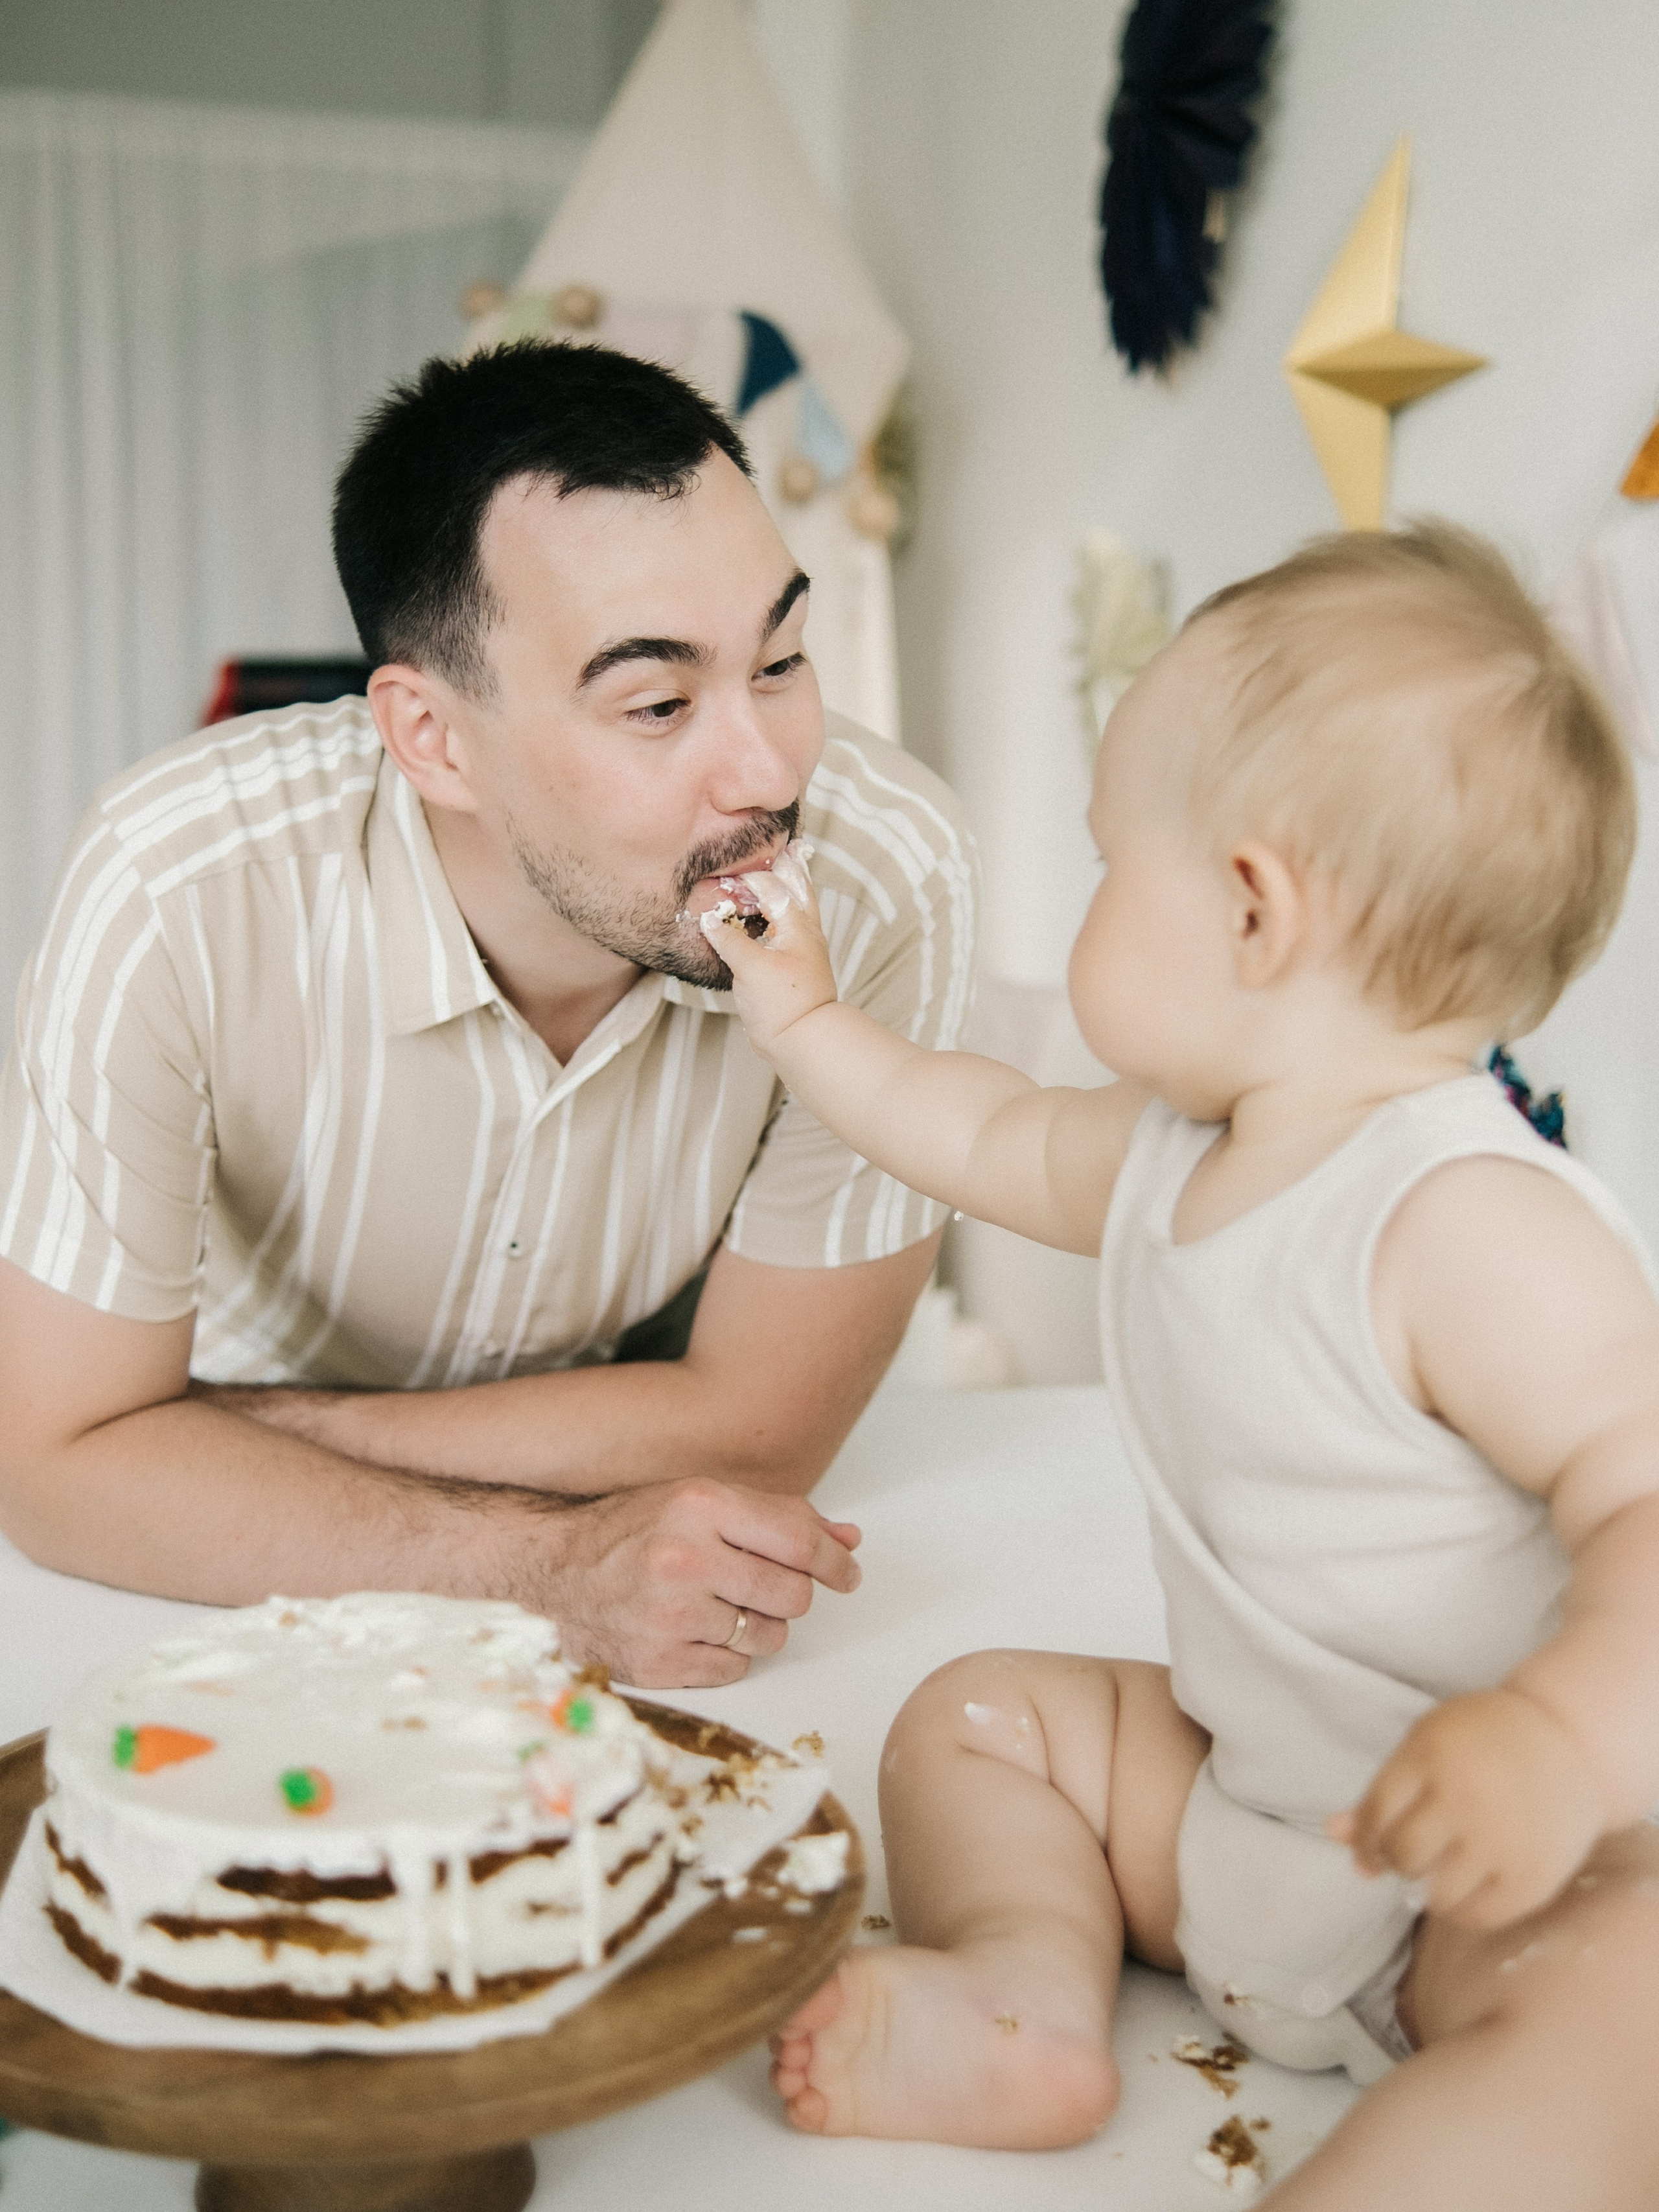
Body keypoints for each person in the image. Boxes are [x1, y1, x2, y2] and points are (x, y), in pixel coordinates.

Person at [708, 522, 1659, 2205]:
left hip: (1518, 1885)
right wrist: (799, 1016)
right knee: (981, 1717)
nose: (1088, 901)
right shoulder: (1171, 1149)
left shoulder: (1466, 1214)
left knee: (1630, 2008)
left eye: (1104, 865)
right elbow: (975, 1124)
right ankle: (1026, 1993)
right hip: (1253, 1813)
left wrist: (1563, 1747)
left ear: (1247, 905)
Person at [0, 342, 974, 1690]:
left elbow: (760, 1432)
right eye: (656, 703)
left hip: (299, 1483)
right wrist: (535, 1574)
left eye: (782, 660)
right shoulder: (177, 882)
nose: (765, 771)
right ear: (431, 740)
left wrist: (197, 1441)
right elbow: (57, 1484)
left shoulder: (888, 875)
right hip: (200, 1614)